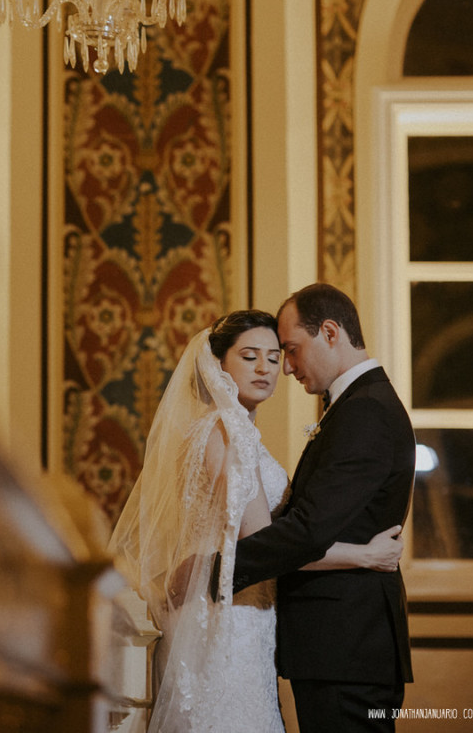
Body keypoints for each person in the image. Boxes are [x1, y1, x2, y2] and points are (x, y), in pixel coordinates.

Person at [109, 309, 403, 732]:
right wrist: (365, 554)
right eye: (249, 356)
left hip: (237, 611)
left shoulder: (213, 430)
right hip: (232, 620)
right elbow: (270, 543)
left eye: (274, 355)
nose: (267, 368)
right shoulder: (230, 433)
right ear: (218, 363)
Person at [227, 284, 416, 732]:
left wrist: (218, 566)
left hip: (346, 649)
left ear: (330, 332)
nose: (286, 367)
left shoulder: (365, 411)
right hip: (340, 647)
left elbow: (309, 529)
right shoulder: (356, 405)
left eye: (290, 350)